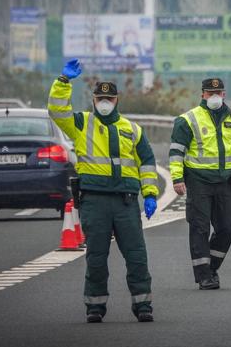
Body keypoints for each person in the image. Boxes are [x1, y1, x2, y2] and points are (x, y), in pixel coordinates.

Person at [48, 59, 159, 323]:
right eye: (100, 98)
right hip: (95, 201)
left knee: (137, 257)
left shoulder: (132, 129)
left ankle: (143, 305)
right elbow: (56, 111)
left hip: (126, 202)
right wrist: (63, 82)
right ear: (94, 99)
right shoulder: (81, 124)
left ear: (116, 99)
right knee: (96, 258)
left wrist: (151, 193)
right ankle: (95, 307)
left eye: (108, 97)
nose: (104, 101)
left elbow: (147, 162)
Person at [169, 78, 231, 290]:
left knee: (227, 227)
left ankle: (212, 267)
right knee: (199, 227)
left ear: (224, 94)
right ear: (202, 95)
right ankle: (203, 276)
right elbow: (176, 153)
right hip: (198, 181)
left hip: (225, 181)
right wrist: (177, 178)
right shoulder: (187, 120)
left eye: (218, 93)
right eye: (210, 93)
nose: (214, 97)